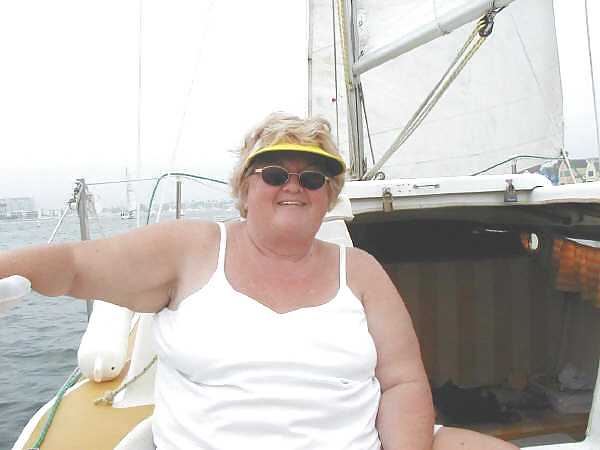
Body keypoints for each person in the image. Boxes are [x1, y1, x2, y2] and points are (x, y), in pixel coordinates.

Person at [0, 113, 519, 449]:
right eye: (274, 173)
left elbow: (402, 382)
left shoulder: (360, 271)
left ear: (328, 196)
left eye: (312, 178)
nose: (294, 186)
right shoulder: (192, 249)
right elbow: (73, 264)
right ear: (245, 189)